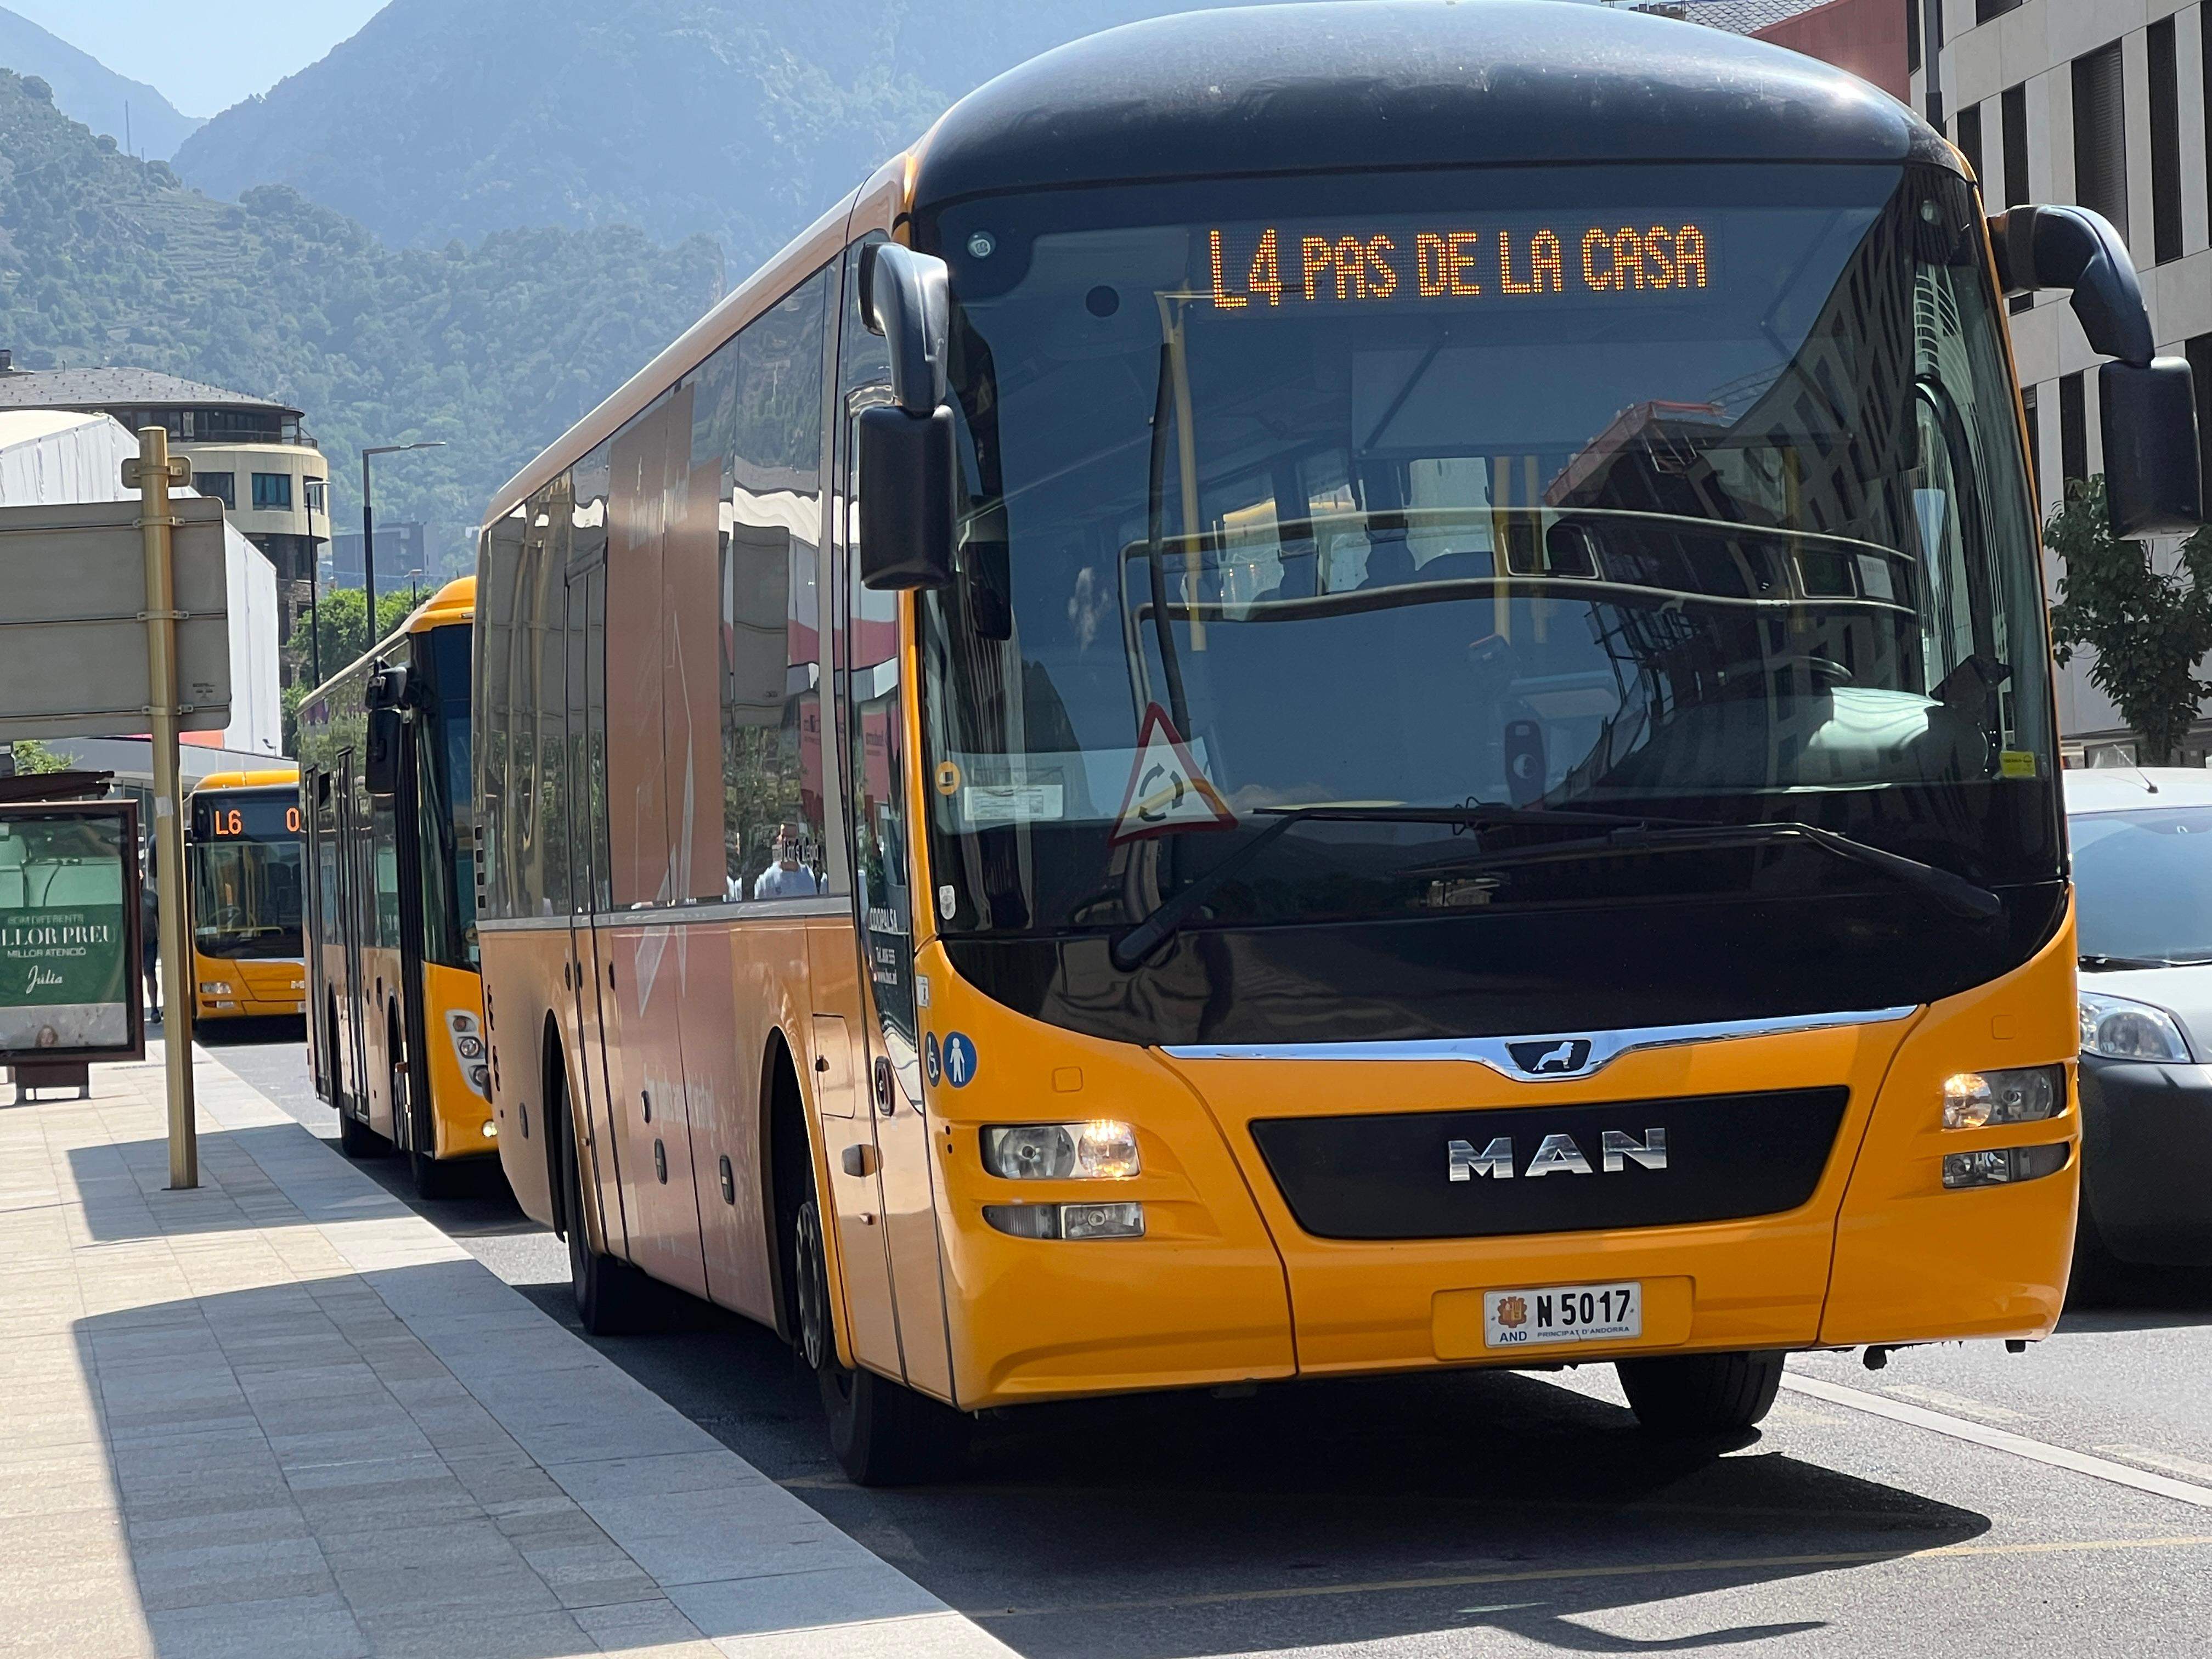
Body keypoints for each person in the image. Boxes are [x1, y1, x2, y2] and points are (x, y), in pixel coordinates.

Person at [751, 826, 820, 900]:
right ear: (778, 840)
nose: (787, 841)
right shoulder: (765, 881)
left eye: (792, 837)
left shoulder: (809, 877)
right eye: (784, 836)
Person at [139, 855, 161, 1020]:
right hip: (132, 942)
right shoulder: (124, 898)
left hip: (149, 942)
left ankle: (154, 1008)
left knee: (150, 974)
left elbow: (161, 919)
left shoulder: (151, 898)